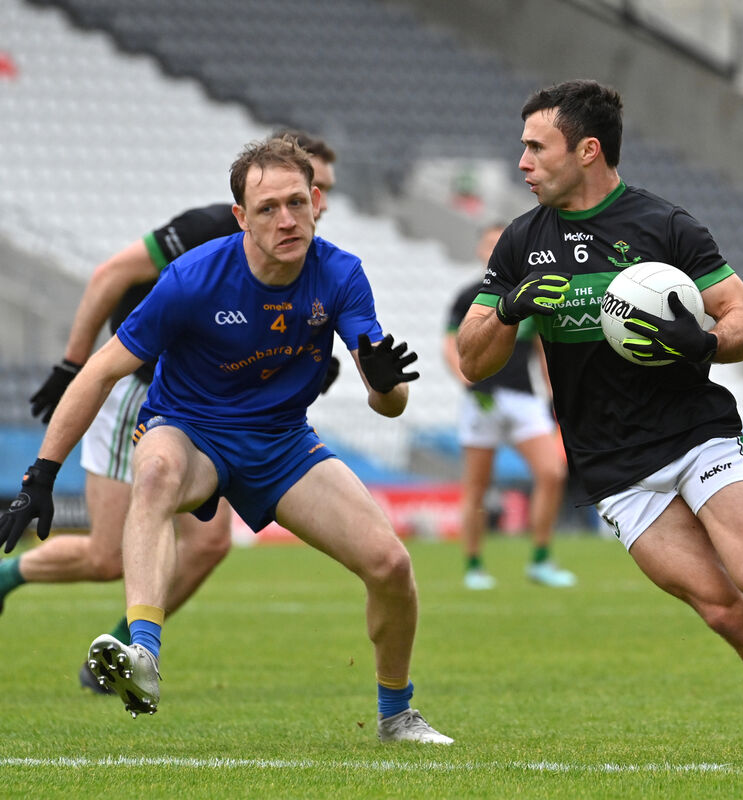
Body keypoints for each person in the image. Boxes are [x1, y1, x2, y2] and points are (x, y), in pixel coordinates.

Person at [456, 79, 743, 763]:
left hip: (696, 434)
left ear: (587, 150)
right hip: (614, 466)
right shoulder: (522, 242)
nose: (522, 161)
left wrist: (699, 342)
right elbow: (473, 360)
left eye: (536, 147)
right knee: (724, 610)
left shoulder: (664, 226)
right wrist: (507, 308)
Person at [0, 136, 451, 744]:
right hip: (190, 432)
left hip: (281, 443)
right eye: (268, 208)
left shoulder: (341, 273)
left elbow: (388, 403)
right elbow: (102, 371)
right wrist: (42, 475)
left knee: (391, 564)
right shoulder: (192, 278)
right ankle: (144, 655)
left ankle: (396, 715)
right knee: (155, 474)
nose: (287, 219)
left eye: (297, 202)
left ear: (316, 202)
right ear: (241, 217)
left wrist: (387, 385)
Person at [0, 131, 341, 697]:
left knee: (210, 545)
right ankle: (6, 576)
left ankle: (124, 652)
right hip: (138, 389)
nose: (316, 206)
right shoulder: (207, 229)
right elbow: (111, 275)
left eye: (319, 193)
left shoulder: (308, 260)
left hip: (205, 408)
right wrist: (71, 364)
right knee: (106, 557)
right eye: (309, 189)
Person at [442, 222, 573, 590]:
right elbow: (450, 344)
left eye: (501, 243)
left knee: (552, 473)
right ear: (480, 251)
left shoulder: (532, 294)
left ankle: (541, 560)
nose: (495, 250)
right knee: (477, 487)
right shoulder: (469, 296)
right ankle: (474, 566)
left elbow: (541, 351)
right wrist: (465, 380)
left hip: (522, 398)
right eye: (489, 244)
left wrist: (555, 394)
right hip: (482, 400)